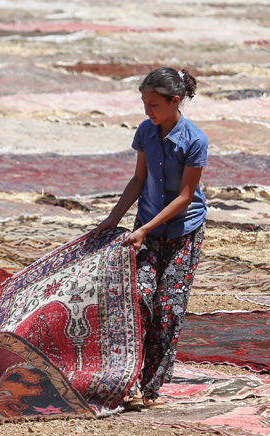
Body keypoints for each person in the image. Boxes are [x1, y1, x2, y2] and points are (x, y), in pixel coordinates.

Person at [91, 66, 207, 408]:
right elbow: (138, 180)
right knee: (139, 299)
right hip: (148, 228)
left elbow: (185, 196)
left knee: (168, 308)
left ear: (175, 101)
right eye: (144, 103)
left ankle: (150, 388)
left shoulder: (195, 140)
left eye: (153, 104)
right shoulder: (145, 131)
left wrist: (144, 228)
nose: (147, 110)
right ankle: (127, 379)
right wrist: (113, 219)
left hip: (183, 232)